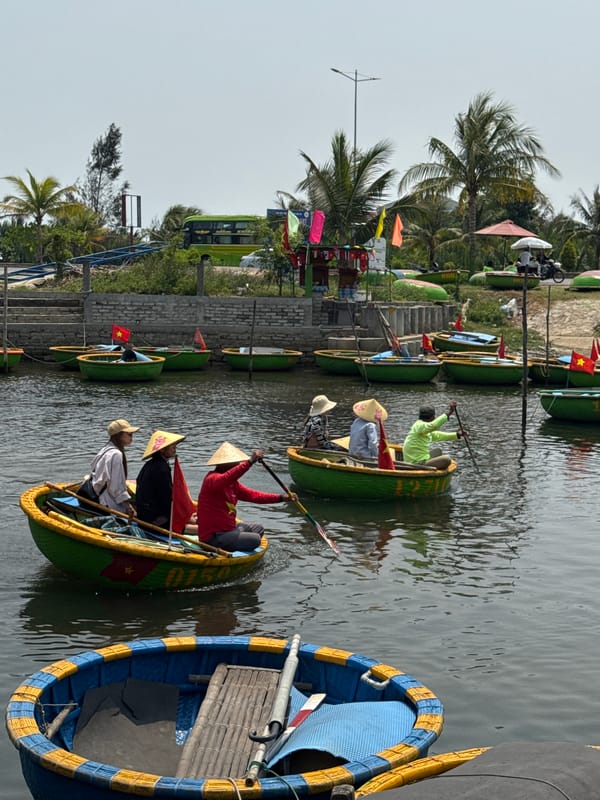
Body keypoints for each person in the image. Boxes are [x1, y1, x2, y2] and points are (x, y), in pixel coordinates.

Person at [196, 442, 296, 552]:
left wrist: (281, 498)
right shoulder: (212, 479)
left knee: (258, 528)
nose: (238, 464)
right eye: (236, 462)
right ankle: (226, 545)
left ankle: (233, 541)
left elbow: (254, 496)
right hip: (214, 536)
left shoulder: (233, 484)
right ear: (225, 464)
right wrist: (249, 462)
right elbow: (227, 477)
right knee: (255, 540)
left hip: (229, 530)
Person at [136, 429, 196, 531]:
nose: (174, 448)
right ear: (162, 450)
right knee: (194, 525)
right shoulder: (161, 468)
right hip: (153, 519)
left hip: (146, 513)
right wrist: (182, 516)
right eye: (172, 446)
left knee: (191, 517)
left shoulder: (152, 464)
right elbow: (166, 498)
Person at [88, 419, 139, 514]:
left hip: (98, 495)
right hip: (106, 502)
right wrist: (129, 507)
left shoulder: (105, 449)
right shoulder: (116, 454)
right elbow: (116, 487)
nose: (132, 437)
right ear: (119, 435)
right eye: (129, 434)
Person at [402, 401, 463, 469]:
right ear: (433, 417)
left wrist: (457, 434)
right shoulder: (419, 425)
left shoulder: (423, 428)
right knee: (447, 459)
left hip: (421, 459)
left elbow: (437, 435)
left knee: (438, 451)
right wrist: (450, 412)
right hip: (415, 463)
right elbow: (433, 425)